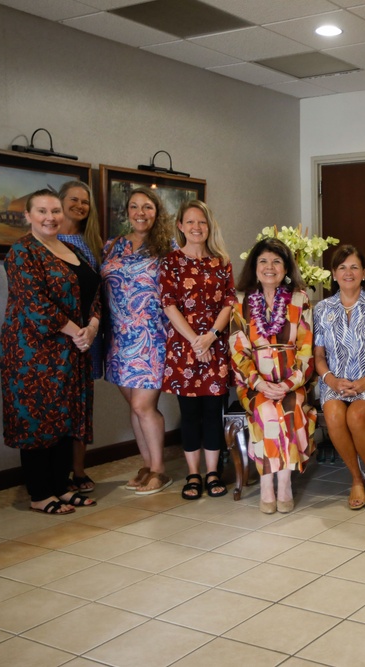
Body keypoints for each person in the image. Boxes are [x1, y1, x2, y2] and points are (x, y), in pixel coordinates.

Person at [0, 190, 100, 514]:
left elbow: (95, 290)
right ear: (27, 216)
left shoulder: (71, 248)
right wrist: (77, 333)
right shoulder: (21, 252)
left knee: (66, 418)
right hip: (33, 352)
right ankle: (40, 493)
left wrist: (93, 327)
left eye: (55, 210)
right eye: (41, 211)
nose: (50, 217)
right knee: (37, 419)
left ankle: (61, 486)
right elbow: (34, 303)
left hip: (74, 348)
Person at [230, 238, 316, 514]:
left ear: (286, 267)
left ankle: (285, 482)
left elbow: (306, 349)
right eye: (263, 261)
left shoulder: (300, 299)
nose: (270, 267)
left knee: (289, 409)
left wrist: (288, 384)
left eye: (277, 261)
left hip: (293, 381)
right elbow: (238, 350)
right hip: (253, 384)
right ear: (254, 267)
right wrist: (260, 383)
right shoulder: (240, 302)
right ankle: (268, 483)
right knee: (267, 412)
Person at [101, 188, 176, 495]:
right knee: (134, 407)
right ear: (127, 212)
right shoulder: (112, 245)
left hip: (152, 337)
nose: (140, 212)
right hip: (118, 338)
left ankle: (160, 469)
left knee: (145, 406)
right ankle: (146, 465)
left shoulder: (167, 247)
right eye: (134, 207)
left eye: (147, 207)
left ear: (157, 212)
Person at [160, 200, 236, 501]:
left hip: (215, 347)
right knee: (189, 414)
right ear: (180, 226)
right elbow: (169, 305)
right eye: (190, 222)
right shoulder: (171, 262)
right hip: (184, 348)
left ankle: (213, 472)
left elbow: (229, 303)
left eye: (202, 222)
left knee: (213, 413)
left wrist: (211, 336)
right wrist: (196, 340)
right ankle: (193, 474)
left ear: (209, 226)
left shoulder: (222, 261)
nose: (196, 227)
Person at [314, 246, 365, 510]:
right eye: (342, 267)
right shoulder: (322, 309)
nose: (348, 272)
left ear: (363, 273)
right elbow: (318, 356)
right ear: (334, 274)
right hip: (335, 382)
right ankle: (356, 477)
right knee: (335, 416)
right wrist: (331, 381)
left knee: (356, 416)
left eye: (354, 267)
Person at [57, 180, 104, 494]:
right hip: (57, 335)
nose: (79, 205)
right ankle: (55, 475)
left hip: (89, 332)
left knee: (82, 404)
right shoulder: (47, 240)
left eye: (84, 201)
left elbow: (99, 290)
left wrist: (93, 326)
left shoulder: (94, 242)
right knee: (58, 404)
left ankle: (78, 470)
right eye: (73, 199)